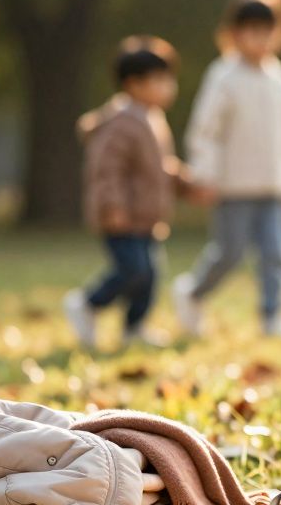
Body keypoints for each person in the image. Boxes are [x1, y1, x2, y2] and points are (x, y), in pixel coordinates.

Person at [173, 0, 281, 340]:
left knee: (276, 254)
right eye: (251, 30)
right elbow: (205, 131)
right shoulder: (223, 76)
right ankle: (192, 293)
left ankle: (272, 316)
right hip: (232, 187)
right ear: (234, 33)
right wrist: (204, 174)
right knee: (229, 254)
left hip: (274, 188)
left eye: (268, 30)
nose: (260, 39)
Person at [65, 36, 197, 349]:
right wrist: (112, 207)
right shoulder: (122, 123)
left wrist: (183, 182)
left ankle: (134, 327)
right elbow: (106, 170)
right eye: (159, 81)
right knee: (133, 270)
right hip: (121, 217)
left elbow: (155, 168)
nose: (168, 87)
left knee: (149, 275)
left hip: (146, 217)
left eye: (169, 80)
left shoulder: (152, 119)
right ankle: (87, 303)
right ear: (133, 84)